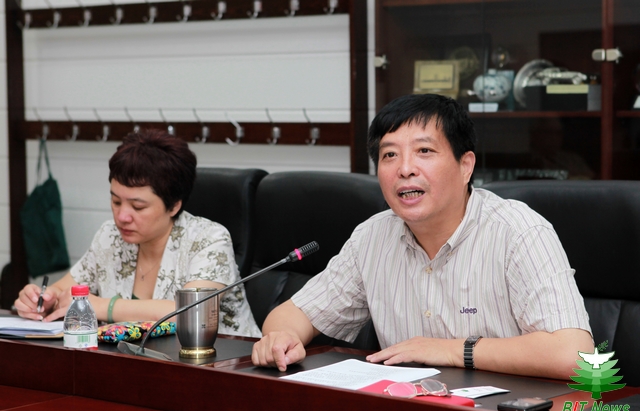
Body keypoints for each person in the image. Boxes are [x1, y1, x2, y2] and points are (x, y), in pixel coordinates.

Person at [251, 94, 593, 379]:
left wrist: (451, 350)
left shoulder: (519, 232)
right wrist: (281, 338)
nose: (405, 169)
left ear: (465, 166)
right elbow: (292, 314)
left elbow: (574, 355)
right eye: (389, 155)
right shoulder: (372, 237)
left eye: (424, 151)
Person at [15, 129, 261, 338]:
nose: (122, 216)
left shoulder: (209, 239)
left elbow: (191, 313)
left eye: (138, 207)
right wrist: (42, 300)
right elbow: (64, 291)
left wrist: (103, 306)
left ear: (174, 205)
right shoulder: (110, 236)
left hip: (224, 366)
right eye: (116, 201)